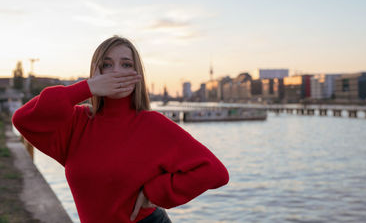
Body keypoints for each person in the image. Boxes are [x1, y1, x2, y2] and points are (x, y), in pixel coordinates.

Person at [12, 36, 229, 223]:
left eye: (126, 65)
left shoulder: (152, 124)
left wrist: (155, 192)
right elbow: (23, 119)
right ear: (96, 71)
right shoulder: (78, 122)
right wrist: (87, 88)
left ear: (138, 75)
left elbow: (215, 172)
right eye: (107, 65)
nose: (116, 71)